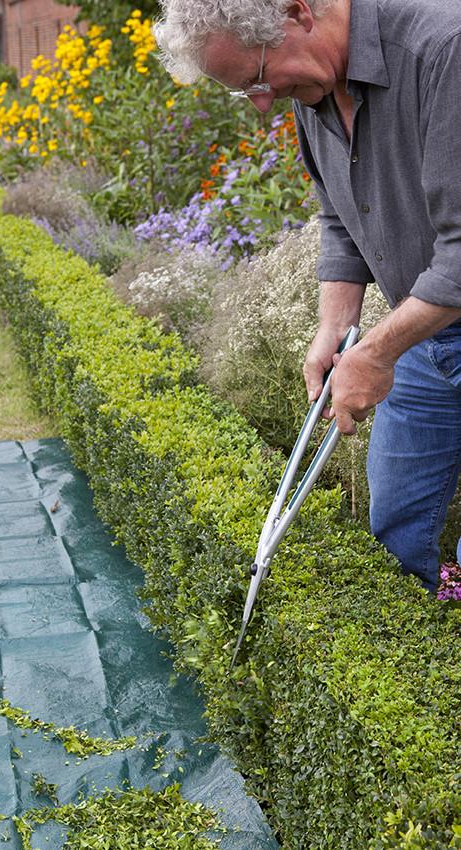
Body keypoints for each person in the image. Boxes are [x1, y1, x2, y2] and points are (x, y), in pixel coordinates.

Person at [153, 0, 461, 593]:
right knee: (394, 529)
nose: (264, 103)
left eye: (259, 79)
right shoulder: (313, 90)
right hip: (427, 329)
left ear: (297, 13)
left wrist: (373, 354)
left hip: (432, 311)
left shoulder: (443, 51)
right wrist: (335, 327)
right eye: (247, 93)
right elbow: (342, 217)